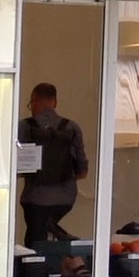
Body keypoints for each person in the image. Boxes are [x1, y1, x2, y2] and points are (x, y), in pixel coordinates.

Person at [19, 84, 89, 247]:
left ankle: (37, 266)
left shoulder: (24, 127)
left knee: (34, 243)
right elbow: (82, 171)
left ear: (35, 102)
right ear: (55, 102)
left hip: (35, 198)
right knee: (45, 233)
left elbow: (16, 168)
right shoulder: (71, 127)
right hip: (65, 199)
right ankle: (54, 233)